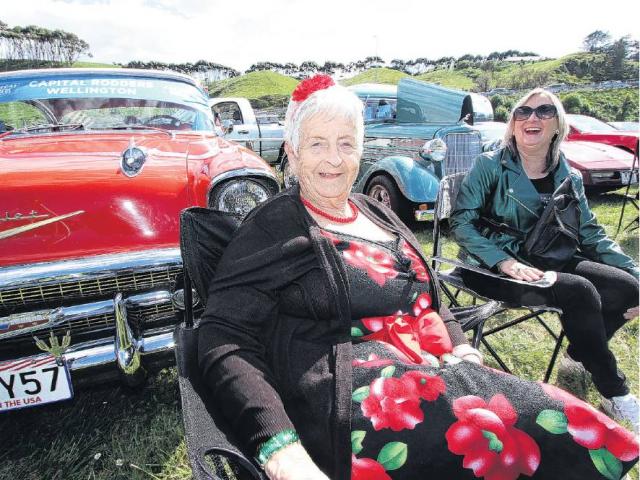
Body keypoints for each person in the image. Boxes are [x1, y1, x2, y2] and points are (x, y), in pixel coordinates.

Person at [198, 77, 638, 479]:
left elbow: (429, 296)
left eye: (346, 143)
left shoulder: (376, 210)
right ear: (291, 152)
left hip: (432, 365)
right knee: (547, 424)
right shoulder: (276, 224)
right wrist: (278, 448)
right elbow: (223, 336)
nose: (333, 159)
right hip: (357, 396)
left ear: (361, 150)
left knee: (550, 414)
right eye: (317, 143)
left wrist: (462, 345)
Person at [451, 87, 640, 433]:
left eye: (543, 111)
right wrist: (503, 262)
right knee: (580, 291)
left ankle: (578, 357)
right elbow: (461, 223)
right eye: (523, 112)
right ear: (513, 123)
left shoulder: (567, 173)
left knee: (630, 290)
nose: (532, 118)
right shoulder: (490, 165)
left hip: (550, 256)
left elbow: (590, 233)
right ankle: (616, 392)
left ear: (558, 125)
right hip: (488, 265)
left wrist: (636, 273)